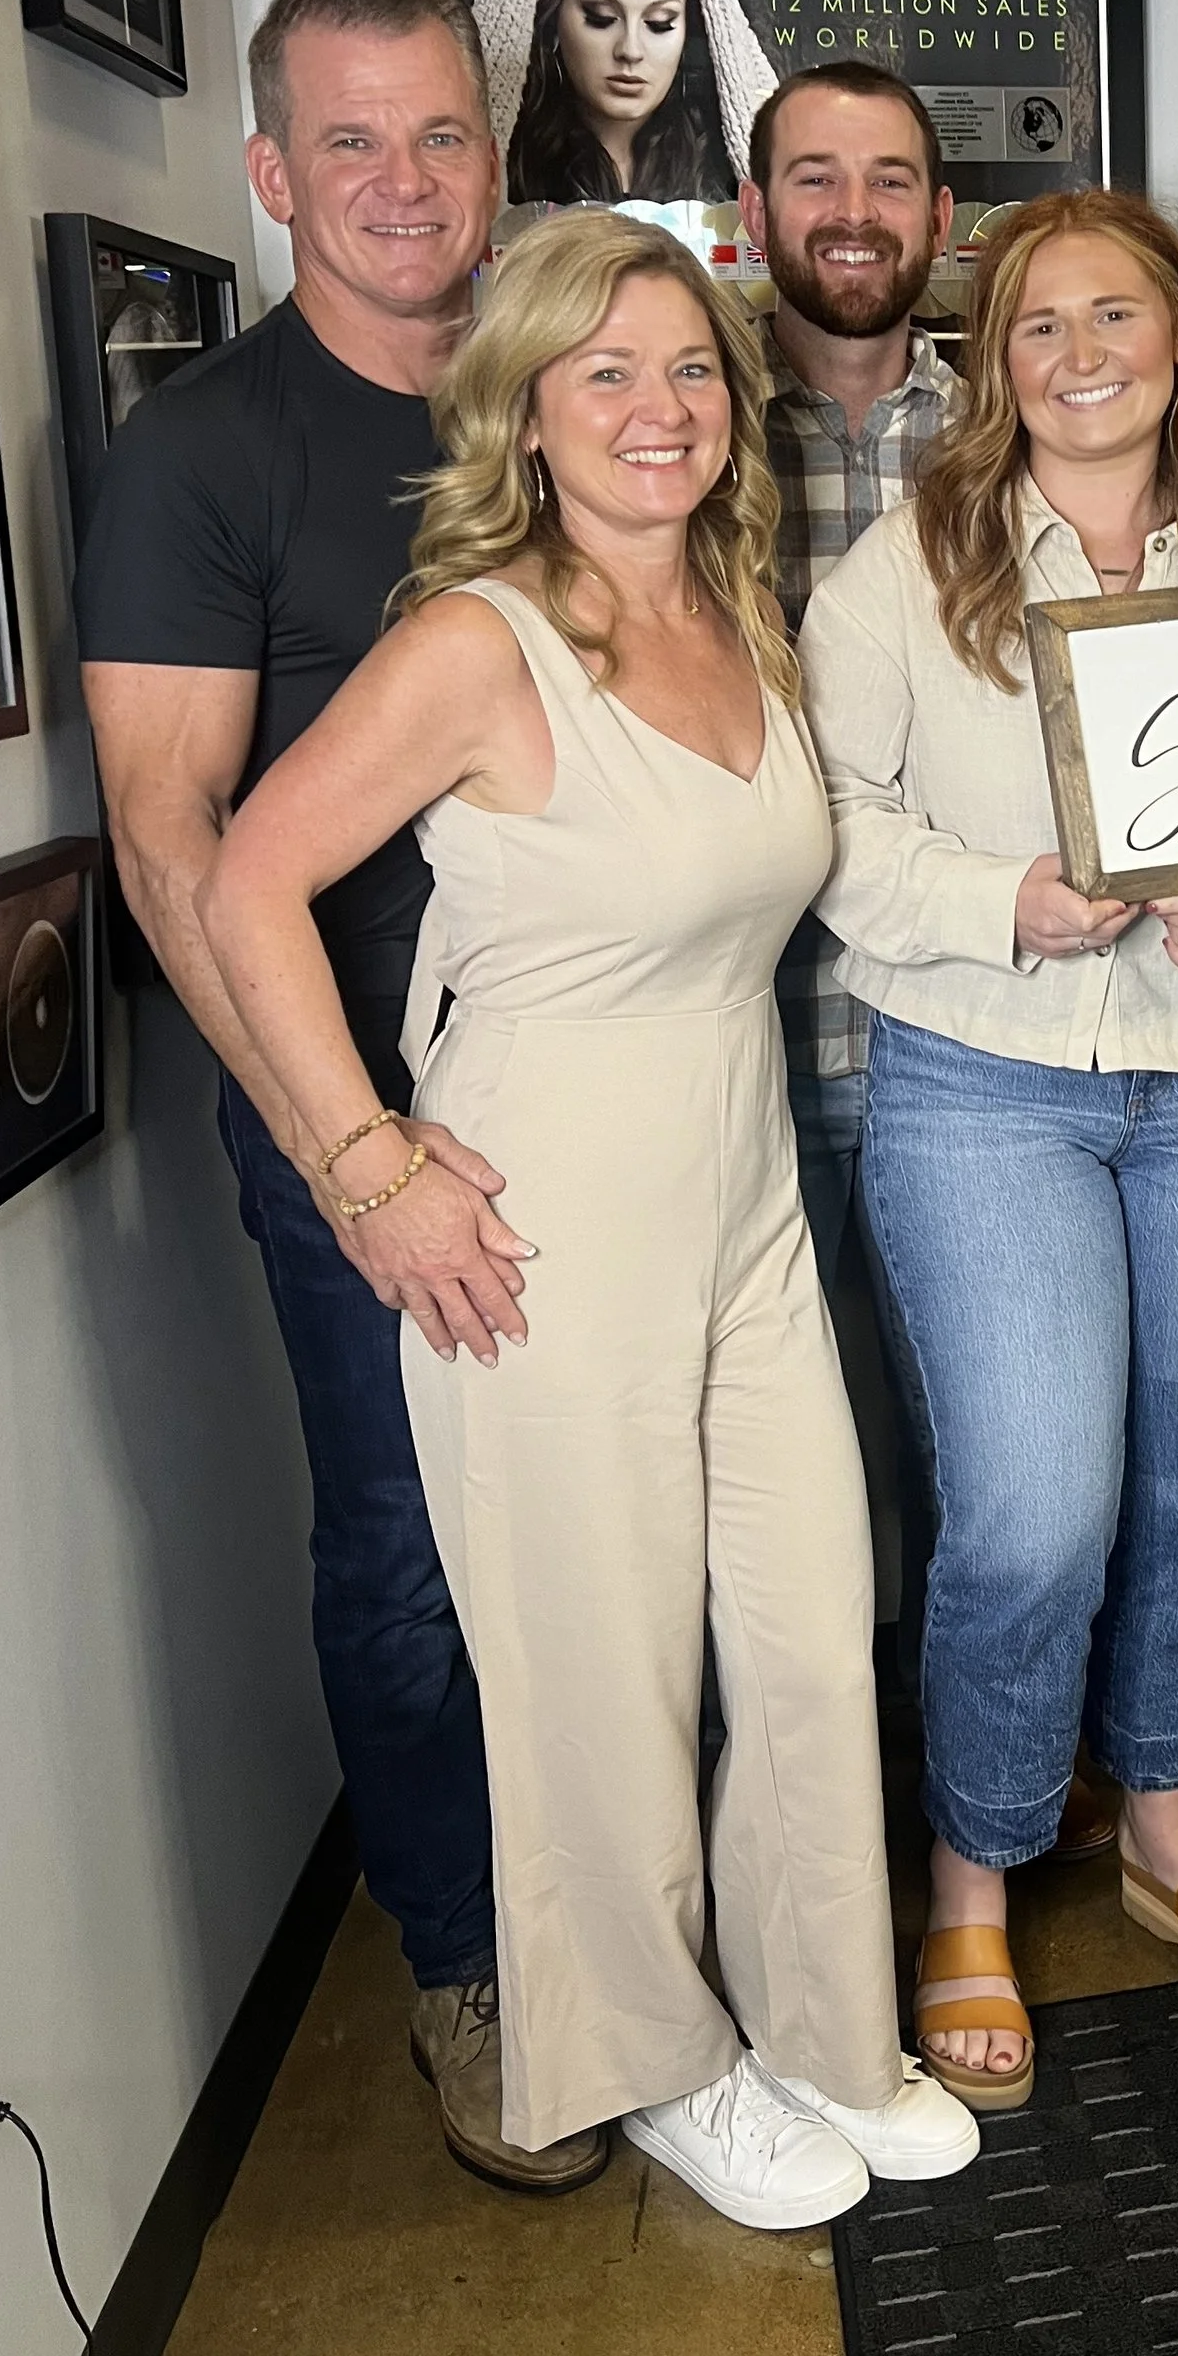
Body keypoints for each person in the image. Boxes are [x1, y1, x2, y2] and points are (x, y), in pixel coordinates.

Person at [198, 210, 976, 2229]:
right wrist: (363, 1159)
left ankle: (823, 2022)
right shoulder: (476, 638)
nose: (658, 408)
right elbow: (239, 884)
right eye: (605, 371)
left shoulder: (741, 608)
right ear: (526, 410)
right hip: (542, 1218)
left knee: (811, 1624)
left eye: (690, 370)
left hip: (740, 1191)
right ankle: (651, 2061)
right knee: (596, 1671)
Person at [76, 0, 579, 2192]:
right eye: (352, 145)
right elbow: (173, 843)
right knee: (407, 1554)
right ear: (272, 174)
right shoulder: (206, 451)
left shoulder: (579, 404)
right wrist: (356, 1157)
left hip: (605, 1090)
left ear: (498, 157)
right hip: (357, 1120)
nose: (404, 186)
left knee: (608, 1536)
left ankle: (623, 1925)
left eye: (442, 137)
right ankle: (467, 1966)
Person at [801, 191, 1178, 2109]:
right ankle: (970, 1870)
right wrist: (1006, 898)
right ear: (995, 359)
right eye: (1033, 324)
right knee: (1033, 1509)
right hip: (988, 1084)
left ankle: (1154, 1809)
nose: (1075, 352)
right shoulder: (912, 564)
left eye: (1110, 312)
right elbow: (832, 827)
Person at [743, 61, 958, 1703]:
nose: (854, 212)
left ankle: (1007, 1764)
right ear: (755, 216)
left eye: (890, 178)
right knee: (792, 1473)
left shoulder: (1028, 418)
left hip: (969, 1037)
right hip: (746, 1042)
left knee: (1002, 1444)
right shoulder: (670, 413)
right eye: (815, 176)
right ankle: (837, 1804)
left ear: (942, 217)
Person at [469, 0, 781, 218]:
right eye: (601, 18)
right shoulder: (509, 168)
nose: (630, 50)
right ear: (553, 19)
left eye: (660, 23)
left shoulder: (726, 171)